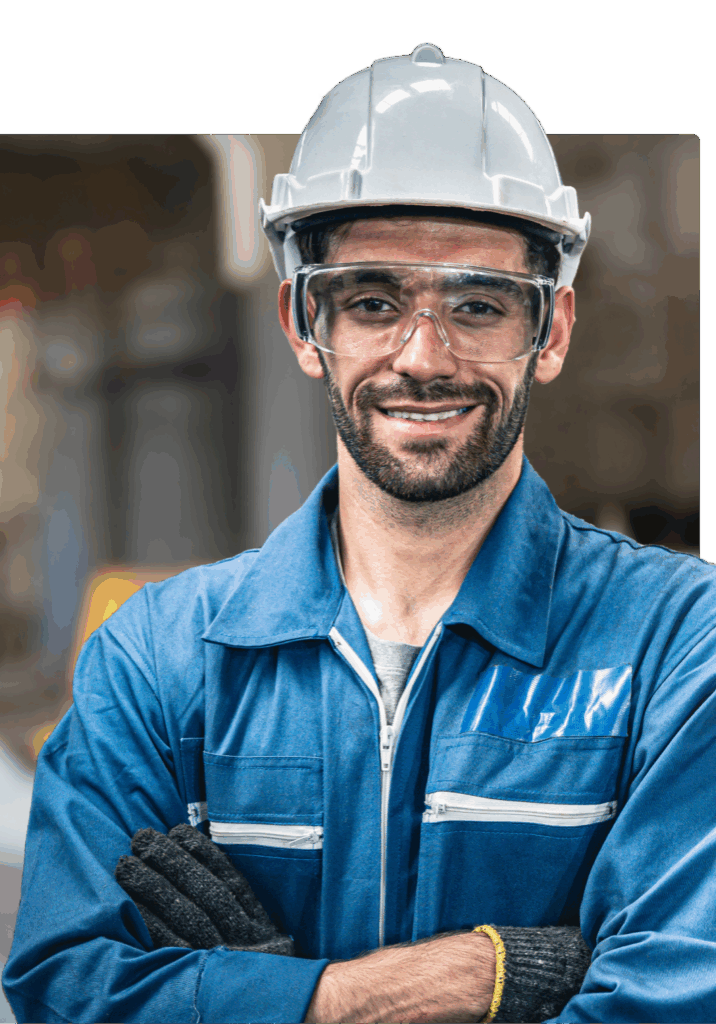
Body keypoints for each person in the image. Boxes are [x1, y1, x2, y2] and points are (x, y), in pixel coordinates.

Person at [3, 43, 714, 1024]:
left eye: (476, 304)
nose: (423, 357)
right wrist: (413, 986)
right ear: (306, 324)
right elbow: (66, 991)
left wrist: (245, 1000)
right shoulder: (159, 660)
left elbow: (674, 1002)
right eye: (374, 302)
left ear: (549, 332)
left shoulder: (676, 647)